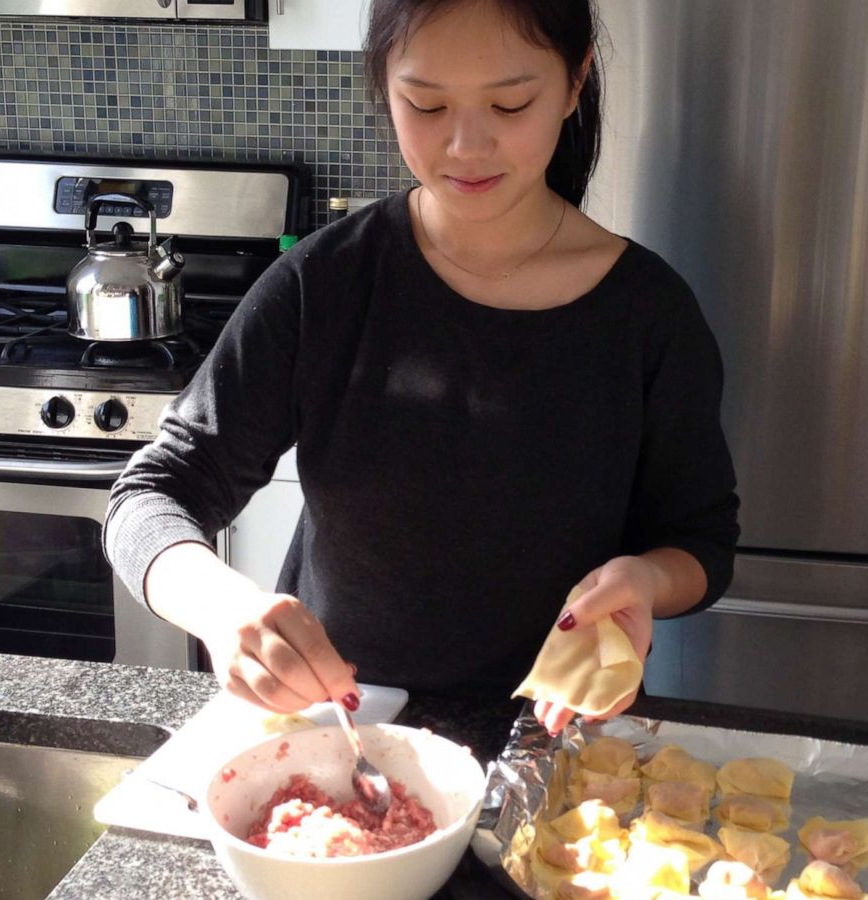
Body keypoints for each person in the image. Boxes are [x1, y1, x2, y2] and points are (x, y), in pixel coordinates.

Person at [104, 0, 739, 736]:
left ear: (574, 84)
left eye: (511, 102)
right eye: (426, 104)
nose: (467, 145)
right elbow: (153, 494)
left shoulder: (648, 314)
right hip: (341, 736)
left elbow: (702, 541)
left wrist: (647, 579)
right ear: (383, 86)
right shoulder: (328, 283)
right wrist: (223, 610)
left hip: (551, 746)